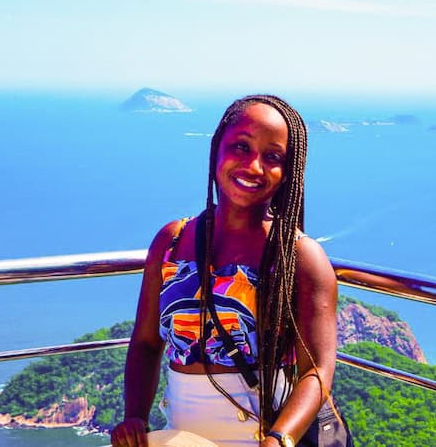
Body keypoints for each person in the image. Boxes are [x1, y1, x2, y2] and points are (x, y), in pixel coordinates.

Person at [111, 95, 338, 447]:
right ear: (217, 149)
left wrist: (282, 438)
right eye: (242, 147)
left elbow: (317, 371)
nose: (254, 166)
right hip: (181, 437)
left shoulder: (299, 256)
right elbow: (144, 343)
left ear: (288, 172)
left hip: (264, 437)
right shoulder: (172, 241)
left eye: (273, 156)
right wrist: (135, 416)